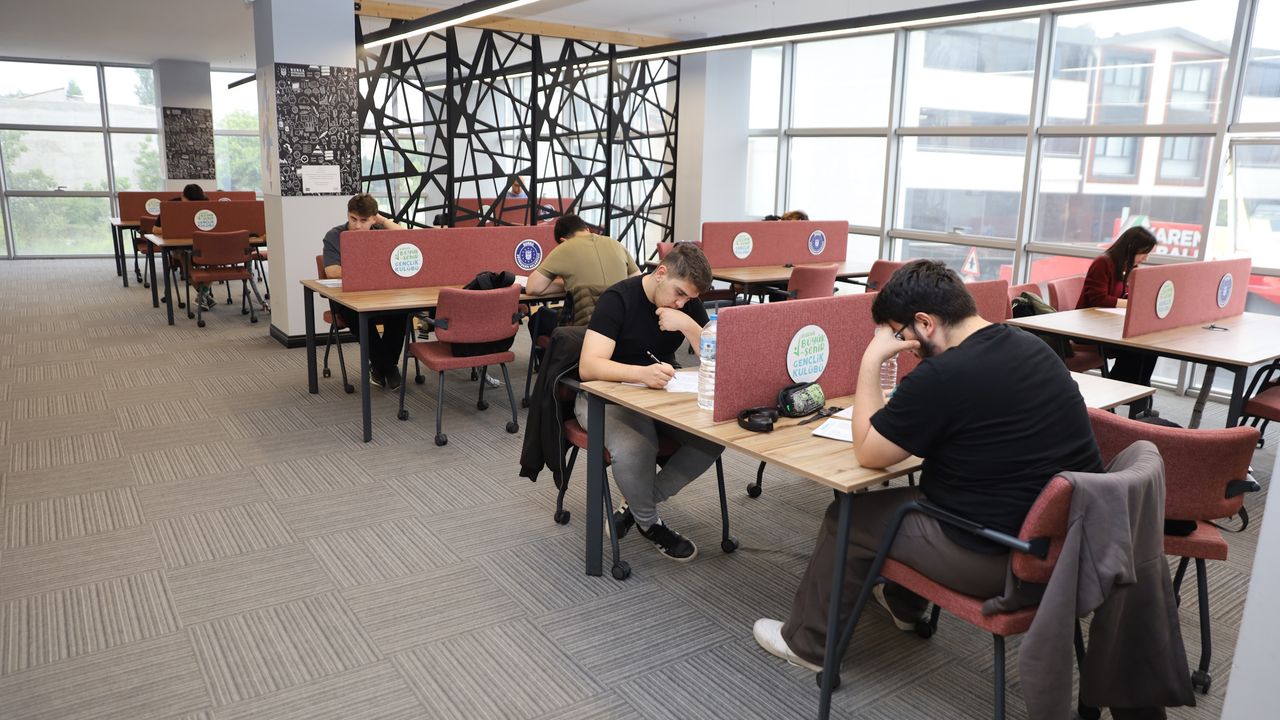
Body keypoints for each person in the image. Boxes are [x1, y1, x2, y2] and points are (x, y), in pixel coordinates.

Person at [753, 259, 1103, 673]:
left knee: (848, 517)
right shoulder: (1031, 346)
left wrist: (871, 360)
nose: (906, 347)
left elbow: (869, 452)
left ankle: (807, 644)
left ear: (925, 322)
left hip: (1000, 561)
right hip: (1067, 548)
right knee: (921, 497)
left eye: (900, 335)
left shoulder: (944, 374)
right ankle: (904, 606)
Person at [577, 243, 724, 561]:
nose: (681, 302)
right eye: (679, 293)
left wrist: (687, 323)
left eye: (689, 299)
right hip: (605, 397)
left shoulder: (685, 305)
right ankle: (649, 522)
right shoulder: (619, 298)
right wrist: (641, 374)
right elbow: (588, 367)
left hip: (660, 393)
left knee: (713, 439)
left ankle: (635, 505)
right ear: (661, 273)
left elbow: (717, 360)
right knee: (637, 446)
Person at [321, 193, 408, 390]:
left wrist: (382, 220)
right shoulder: (335, 235)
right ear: (347, 215)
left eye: (364, 220)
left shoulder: (379, 231)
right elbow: (332, 271)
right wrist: (373, 271)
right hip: (346, 298)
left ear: (373, 219)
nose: (358, 226)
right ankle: (389, 369)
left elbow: (405, 237)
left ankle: (378, 369)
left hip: (381, 296)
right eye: (353, 219)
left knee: (401, 312)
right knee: (358, 315)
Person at [1078, 226, 1160, 418]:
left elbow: (1123, 294)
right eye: (1144, 253)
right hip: (1089, 328)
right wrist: (1131, 303)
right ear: (1131, 248)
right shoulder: (1103, 263)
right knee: (1138, 349)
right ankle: (1120, 393)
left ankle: (1135, 400)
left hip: (1108, 325)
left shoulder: (1126, 266)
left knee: (1150, 348)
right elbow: (1098, 299)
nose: (1145, 258)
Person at [527, 214, 640, 326]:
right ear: (587, 229)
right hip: (623, 324)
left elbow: (533, 288)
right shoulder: (617, 245)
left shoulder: (565, 247)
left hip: (586, 325)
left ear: (563, 240)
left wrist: (567, 284)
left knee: (538, 318)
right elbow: (638, 282)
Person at [153, 183, 218, 311]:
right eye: (189, 203)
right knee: (184, 256)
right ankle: (203, 293)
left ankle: (202, 294)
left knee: (217, 257)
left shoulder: (205, 203)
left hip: (201, 245)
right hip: (178, 247)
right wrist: (176, 230)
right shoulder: (171, 205)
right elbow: (155, 229)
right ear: (182, 197)